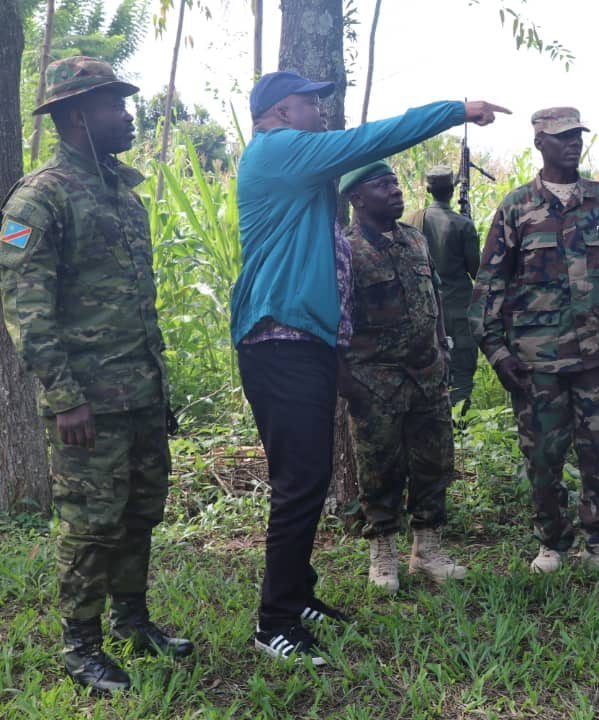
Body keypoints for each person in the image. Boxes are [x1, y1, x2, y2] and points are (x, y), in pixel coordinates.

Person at [230, 69, 507, 665]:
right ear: (279, 112)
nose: (321, 113)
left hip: (301, 343)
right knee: (300, 484)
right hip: (279, 341)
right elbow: (372, 141)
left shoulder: (297, 174)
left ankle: (297, 595)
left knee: (306, 477)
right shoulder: (279, 151)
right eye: (311, 102)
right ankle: (273, 620)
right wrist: (456, 108)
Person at [0, 57, 193, 692]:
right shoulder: (38, 197)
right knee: (89, 525)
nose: (129, 115)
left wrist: (158, 388)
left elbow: (139, 303)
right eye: (117, 105)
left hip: (137, 390)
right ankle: (80, 646)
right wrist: (63, 397)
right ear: (79, 115)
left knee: (140, 512)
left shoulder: (121, 192)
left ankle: (133, 622)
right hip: (86, 402)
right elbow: (23, 302)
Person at [469, 107, 599, 574]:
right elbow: (489, 287)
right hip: (537, 364)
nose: (573, 142)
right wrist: (497, 351)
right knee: (543, 460)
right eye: (562, 136)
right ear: (539, 143)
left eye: (577, 135)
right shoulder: (516, 208)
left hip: (597, 358)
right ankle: (553, 543)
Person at [338, 161, 466, 594]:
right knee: (379, 469)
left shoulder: (415, 239)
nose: (395, 190)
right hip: (376, 381)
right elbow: (335, 319)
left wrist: (442, 344)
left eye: (395, 182)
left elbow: (436, 298)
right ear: (356, 198)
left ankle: (427, 551)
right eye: (382, 185)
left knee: (434, 462)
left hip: (427, 375)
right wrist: (348, 381)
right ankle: (383, 553)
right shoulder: (346, 248)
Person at [406, 166, 480, 410]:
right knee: (461, 370)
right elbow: (476, 270)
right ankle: (460, 427)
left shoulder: (410, 222)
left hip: (424, 308)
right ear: (452, 190)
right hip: (458, 309)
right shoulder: (462, 225)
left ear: (429, 190)